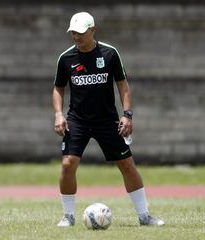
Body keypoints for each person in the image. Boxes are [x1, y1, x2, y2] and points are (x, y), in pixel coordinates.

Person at [53, 12, 165, 227]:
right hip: (77, 120)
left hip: (107, 120)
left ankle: (144, 216)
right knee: (68, 164)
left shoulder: (110, 53)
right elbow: (58, 88)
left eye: (81, 32)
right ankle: (68, 216)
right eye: (73, 32)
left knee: (127, 164)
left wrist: (127, 114)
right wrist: (58, 114)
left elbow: (123, 85)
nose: (76, 36)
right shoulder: (65, 58)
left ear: (93, 30)